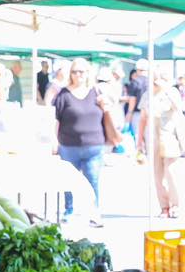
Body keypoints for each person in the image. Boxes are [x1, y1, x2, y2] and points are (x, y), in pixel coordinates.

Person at [52, 58, 109, 225]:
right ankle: (69, 209)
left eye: (81, 72)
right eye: (75, 72)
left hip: (94, 144)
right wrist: (54, 140)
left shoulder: (96, 92)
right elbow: (56, 119)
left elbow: (107, 113)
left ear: (88, 73)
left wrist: (105, 105)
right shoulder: (63, 94)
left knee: (93, 180)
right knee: (69, 180)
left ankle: (94, 212)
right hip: (69, 145)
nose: (78, 75)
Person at [139, 71, 185, 218]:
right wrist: (139, 142)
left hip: (169, 136)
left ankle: (175, 205)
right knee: (157, 175)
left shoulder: (171, 92)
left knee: (171, 172)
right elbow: (143, 119)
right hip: (153, 137)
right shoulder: (147, 95)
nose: (157, 81)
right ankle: (164, 206)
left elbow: (178, 109)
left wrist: (166, 89)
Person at [123, 60, 148, 141]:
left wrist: (129, 113)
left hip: (138, 113)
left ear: (137, 69)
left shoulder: (135, 82)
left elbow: (132, 100)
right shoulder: (152, 82)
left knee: (138, 136)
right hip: (151, 113)